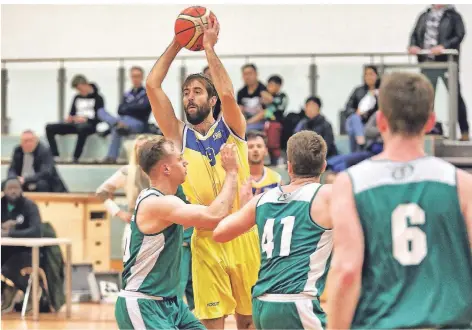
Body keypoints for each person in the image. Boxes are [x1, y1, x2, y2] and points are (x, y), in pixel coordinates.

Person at [328, 72, 472, 329]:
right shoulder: (461, 183)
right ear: (430, 122)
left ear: (381, 120)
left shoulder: (350, 184)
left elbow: (347, 271)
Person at [146, 18, 259, 329]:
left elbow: (229, 95)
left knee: (249, 321)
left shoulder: (232, 128)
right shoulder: (178, 135)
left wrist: (208, 47)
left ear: (211, 101)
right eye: (185, 92)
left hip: (243, 232)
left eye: (197, 91)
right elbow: (152, 86)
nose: (189, 97)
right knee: (212, 322)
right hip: (206, 236)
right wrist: (177, 43)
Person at [114, 138, 240, 330]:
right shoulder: (157, 203)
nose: (186, 162)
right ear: (166, 169)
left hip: (171, 303)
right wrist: (231, 172)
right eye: (181, 159)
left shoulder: (168, 199)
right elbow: (213, 215)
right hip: (143, 303)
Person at [213, 130, 333, 330]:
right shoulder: (328, 195)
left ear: (289, 167)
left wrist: (245, 206)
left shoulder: (263, 199)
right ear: (323, 166)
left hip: (262, 305)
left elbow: (219, 232)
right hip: (297, 302)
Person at [408, 5, 469, 141]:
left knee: (455, 97)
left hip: (447, 62)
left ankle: (464, 132)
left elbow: (460, 34)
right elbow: (414, 34)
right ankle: (428, 129)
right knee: (425, 98)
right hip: (427, 62)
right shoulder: (424, 15)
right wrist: (413, 45)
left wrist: (444, 46)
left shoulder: (453, 16)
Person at [96, 134, 155, 250]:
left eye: (144, 147)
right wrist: (119, 213)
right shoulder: (127, 171)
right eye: (137, 147)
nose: (140, 151)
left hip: (158, 226)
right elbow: (101, 193)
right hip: (135, 225)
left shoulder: (160, 170)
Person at [1, 178, 42, 313]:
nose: (13, 191)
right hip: (5, 249)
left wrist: (11, 232)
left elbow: (36, 230)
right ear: (3, 190)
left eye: (16, 188)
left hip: (26, 251)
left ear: (21, 190)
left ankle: (30, 290)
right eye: (10, 188)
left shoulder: (29, 206)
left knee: (8, 268)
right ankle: (8, 290)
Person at [45, 75, 105, 163]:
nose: (79, 91)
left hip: (90, 125)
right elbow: (72, 113)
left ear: (85, 85)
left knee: (82, 128)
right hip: (75, 123)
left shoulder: (98, 98)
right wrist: (70, 118)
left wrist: (86, 119)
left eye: (80, 89)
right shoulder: (77, 97)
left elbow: (100, 117)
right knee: (49, 127)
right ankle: (55, 155)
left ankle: (76, 157)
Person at [99, 66, 152, 164]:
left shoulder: (147, 93)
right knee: (101, 111)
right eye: (133, 76)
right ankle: (117, 123)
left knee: (117, 128)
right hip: (123, 119)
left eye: (137, 76)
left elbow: (143, 110)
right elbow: (120, 110)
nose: (135, 79)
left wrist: (128, 108)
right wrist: (134, 107)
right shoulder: (127, 94)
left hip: (138, 122)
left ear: (142, 77)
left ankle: (111, 156)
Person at [344, 65, 381, 152]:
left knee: (353, 130)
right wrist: (357, 112)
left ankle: (358, 149)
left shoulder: (382, 91)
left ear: (377, 75)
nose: (368, 77)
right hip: (358, 121)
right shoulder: (358, 90)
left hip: (371, 124)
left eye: (371, 74)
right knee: (354, 118)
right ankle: (362, 141)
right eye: (366, 74)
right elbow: (348, 108)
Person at [263, 75, 288, 165]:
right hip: (267, 123)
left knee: (274, 144)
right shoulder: (267, 96)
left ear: (278, 86)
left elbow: (280, 106)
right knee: (268, 143)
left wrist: (269, 98)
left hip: (276, 123)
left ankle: (276, 161)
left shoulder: (282, 96)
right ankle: (271, 161)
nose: (269, 87)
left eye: (272, 85)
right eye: (268, 85)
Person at [237, 64, 268, 131]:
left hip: (261, 122)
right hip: (245, 122)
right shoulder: (241, 92)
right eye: (245, 74)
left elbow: (264, 112)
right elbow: (240, 110)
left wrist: (248, 122)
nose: (247, 77)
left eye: (250, 73)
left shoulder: (264, 90)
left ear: (256, 74)